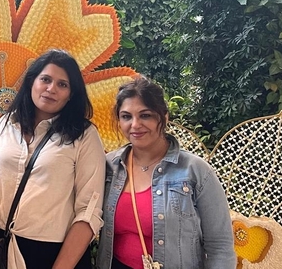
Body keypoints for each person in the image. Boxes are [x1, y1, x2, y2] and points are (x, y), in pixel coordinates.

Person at [0, 49, 106, 269]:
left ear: (71, 94)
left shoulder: (83, 135)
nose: (51, 89)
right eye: (45, 79)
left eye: (63, 84)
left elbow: (89, 211)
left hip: (51, 253)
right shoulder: (6, 125)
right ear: (31, 82)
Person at [96, 77, 235, 269]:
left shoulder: (195, 171)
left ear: (164, 116)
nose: (135, 125)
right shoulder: (109, 166)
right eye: (126, 116)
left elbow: (220, 247)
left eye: (145, 115)